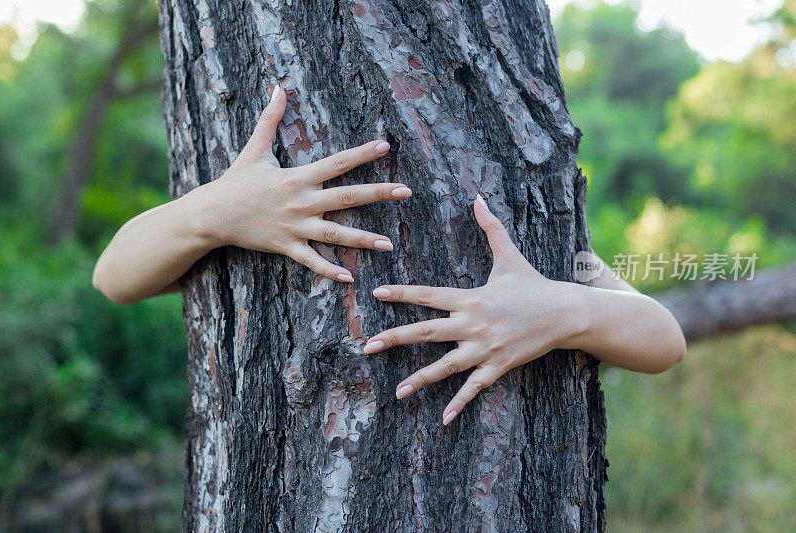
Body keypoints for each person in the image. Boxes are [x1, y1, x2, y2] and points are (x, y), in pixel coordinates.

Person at [93, 86, 686, 426]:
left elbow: (663, 339)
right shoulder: (238, 214)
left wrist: (562, 312)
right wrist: (216, 212)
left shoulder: (540, 240)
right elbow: (115, 277)